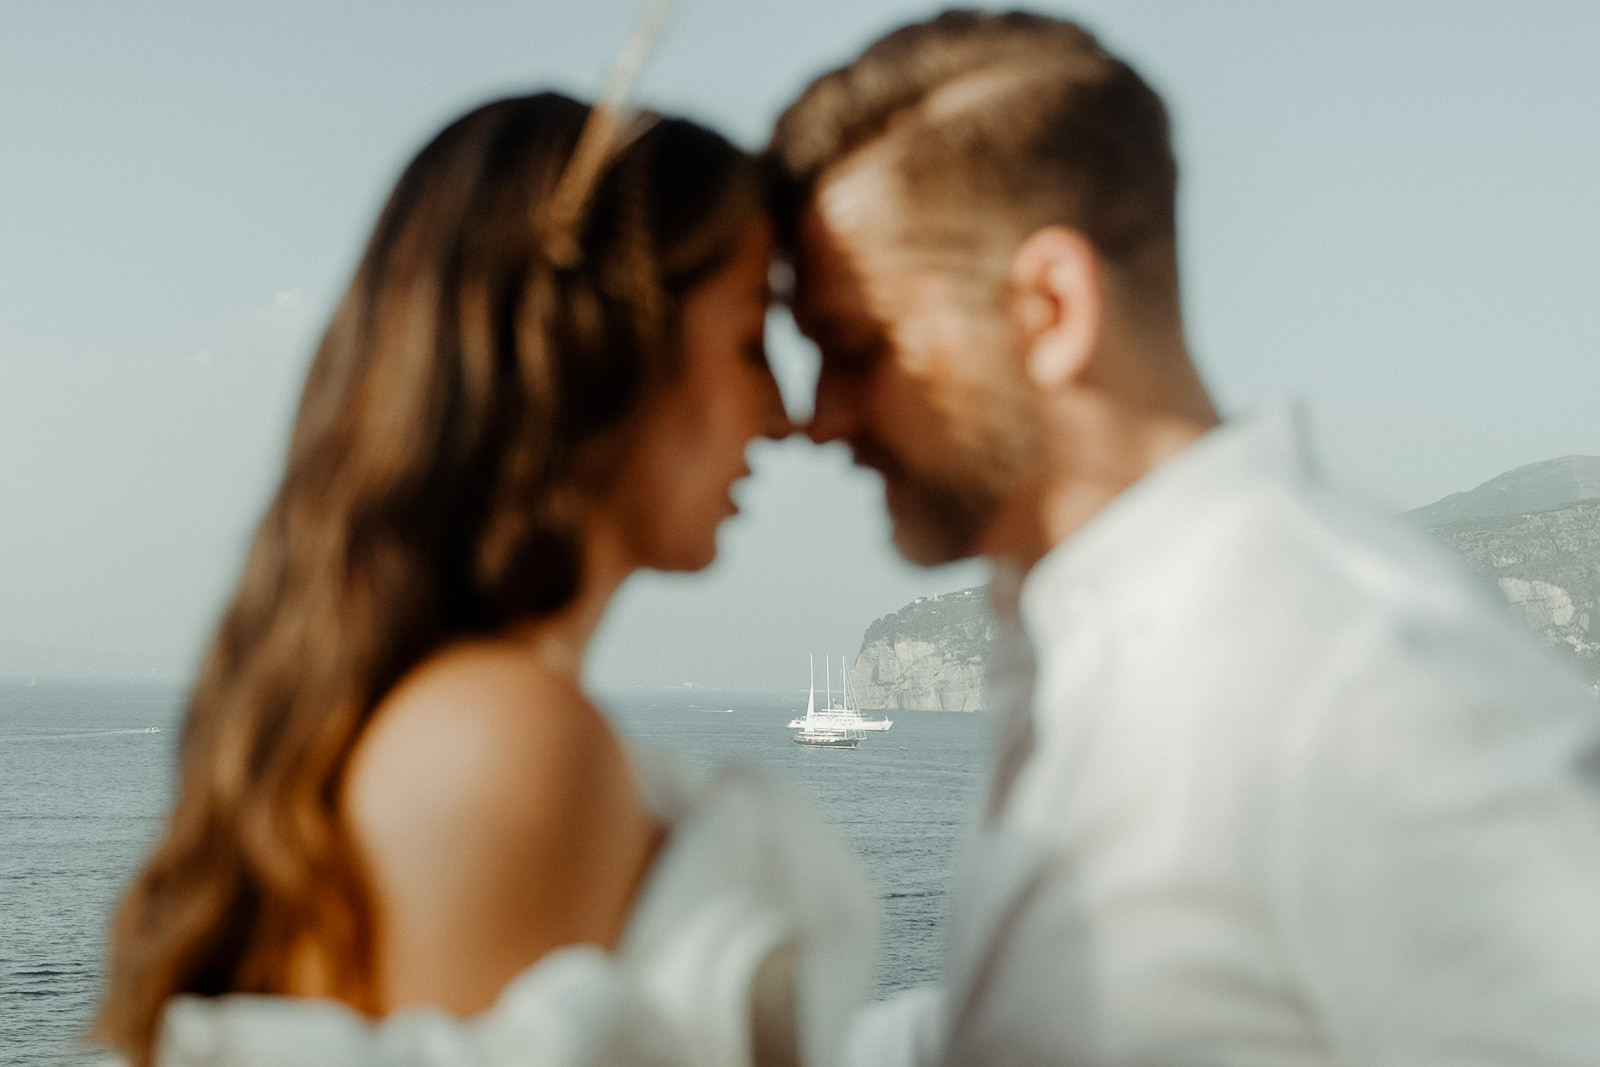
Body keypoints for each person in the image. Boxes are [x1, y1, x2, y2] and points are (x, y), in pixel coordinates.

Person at [768, 9, 1600, 1065]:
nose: (819, 416)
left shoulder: (1356, 679)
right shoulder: (1082, 643)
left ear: (1049, 309)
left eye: (853, 345)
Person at [96, 92, 874, 1067]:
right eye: (750, 338)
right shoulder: (509, 744)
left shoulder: (428, 709)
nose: (785, 414)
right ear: (599, 344)